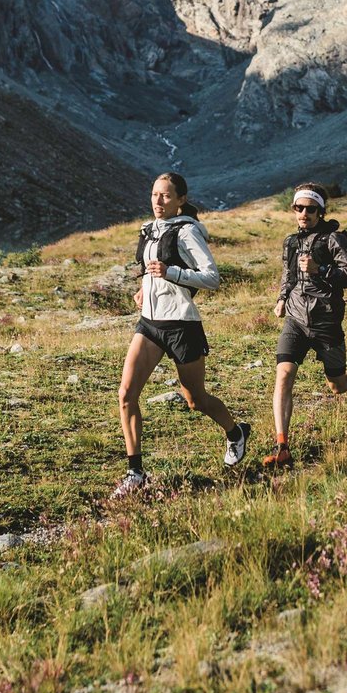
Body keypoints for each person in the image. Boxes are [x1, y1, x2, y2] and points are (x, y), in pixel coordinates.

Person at [114, 172, 250, 497]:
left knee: (195, 400)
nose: (158, 201)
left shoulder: (187, 232)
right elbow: (148, 270)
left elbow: (213, 278)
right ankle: (135, 474)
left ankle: (235, 432)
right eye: (154, 195)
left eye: (165, 196)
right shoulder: (148, 230)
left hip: (181, 325)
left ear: (180, 200)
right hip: (149, 323)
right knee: (126, 395)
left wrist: (171, 272)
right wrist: (143, 289)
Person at [262, 183, 347, 467]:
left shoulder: (334, 239)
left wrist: (320, 269)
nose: (304, 214)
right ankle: (282, 445)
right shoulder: (290, 242)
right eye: (299, 208)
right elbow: (288, 275)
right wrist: (281, 299)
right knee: (284, 376)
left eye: (310, 209)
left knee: (336, 384)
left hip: (326, 321)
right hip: (296, 320)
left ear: (321, 212)